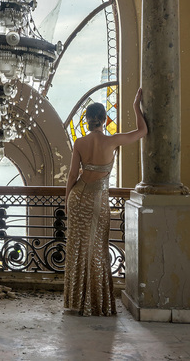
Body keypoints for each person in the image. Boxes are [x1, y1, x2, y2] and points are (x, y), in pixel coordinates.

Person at [63, 88, 147, 316]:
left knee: (77, 248)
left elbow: (72, 176)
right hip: (99, 200)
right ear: (104, 119)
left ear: (87, 120)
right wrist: (135, 106)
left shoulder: (79, 142)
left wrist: (67, 200)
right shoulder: (113, 141)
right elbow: (142, 131)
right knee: (97, 249)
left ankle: (76, 302)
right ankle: (96, 303)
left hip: (78, 198)